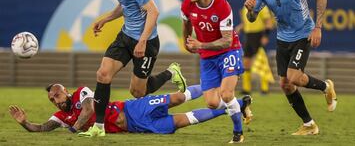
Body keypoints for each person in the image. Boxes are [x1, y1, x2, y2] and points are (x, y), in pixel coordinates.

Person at [82, 0, 187, 137]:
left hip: (146, 43)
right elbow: (125, 5)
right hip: (125, 37)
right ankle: (98, 126)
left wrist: (142, 41)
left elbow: (153, 12)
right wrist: (105, 19)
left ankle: (171, 73)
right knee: (103, 74)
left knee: (137, 92)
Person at [244, 0, 337, 135]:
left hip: (303, 34)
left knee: (294, 77)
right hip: (282, 38)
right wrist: (250, 10)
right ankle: (309, 124)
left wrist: (317, 27)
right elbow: (254, 18)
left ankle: (326, 86)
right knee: (286, 85)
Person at [8, 83, 252, 136]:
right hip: (138, 127)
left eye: (57, 94)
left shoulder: (81, 93)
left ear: (65, 91)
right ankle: (237, 106)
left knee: (178, 98)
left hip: (135, 108)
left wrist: (75, 128)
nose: (56, 100)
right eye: (52, 99)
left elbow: (87, 111)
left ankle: (214, 84)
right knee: (183, 121)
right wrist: (24, 123)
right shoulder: (62, 117)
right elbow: (40, 128)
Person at [181, 0, 246, 143]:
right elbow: (186, 24)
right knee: (211, 102)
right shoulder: (187, 4)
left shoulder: (223, 6)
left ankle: (238, 133)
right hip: (207, 57)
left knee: (225, 94)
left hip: (229, 51)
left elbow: (226, 40)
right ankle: (241, 104)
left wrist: (200, 45)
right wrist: (186, 42)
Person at [235, 0, 274, 94]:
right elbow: (246, 22)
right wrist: (239, 28)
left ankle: (264, 88)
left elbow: (268, 23)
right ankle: (246, 89)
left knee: (262, 61)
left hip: (258, 35)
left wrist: (265, 36)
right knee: (246, 61)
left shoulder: (261, 7)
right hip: (248, 36)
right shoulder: (245, 7)